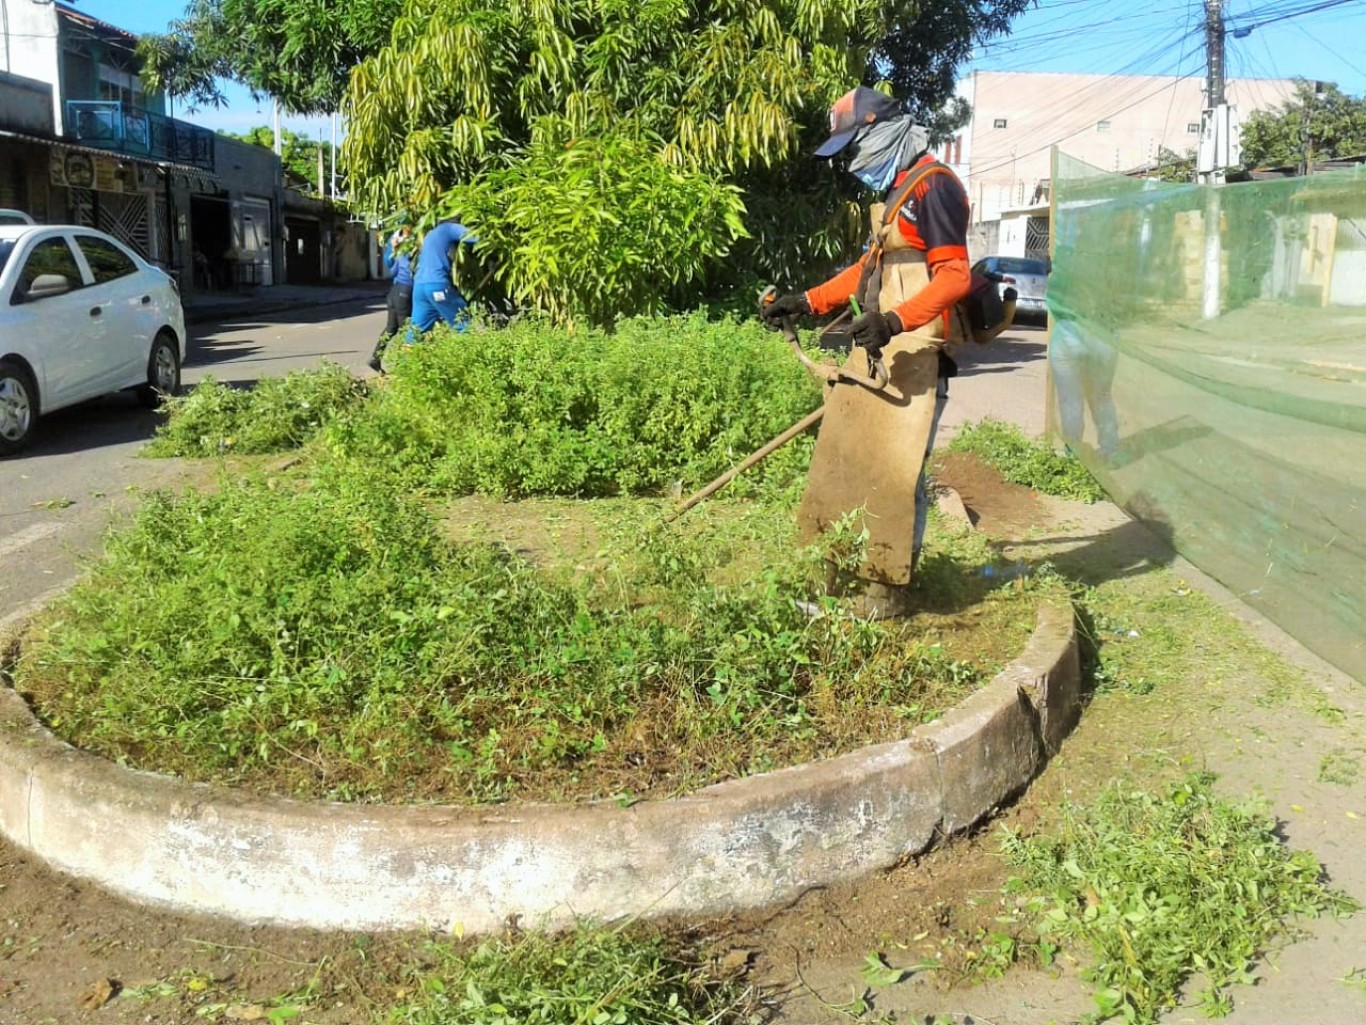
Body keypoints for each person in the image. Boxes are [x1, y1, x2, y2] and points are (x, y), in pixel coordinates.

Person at [760, 85, 974, 615]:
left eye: (857, 145)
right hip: (883, 350)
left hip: (918, 355)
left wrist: (895, 320)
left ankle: (886, 593)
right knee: (852, 460)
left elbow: (955, 277)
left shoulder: (935, 188)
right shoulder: (899, 190)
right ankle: (842, 572)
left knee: (898, 474)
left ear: (884, 130)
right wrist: (803, 303)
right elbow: (867, 271)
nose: (854, 160)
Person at [410, 218, 476, 336]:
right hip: (436, 285)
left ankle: (404, 354)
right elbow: (474, 236)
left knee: (416, 331)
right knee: (463, 323)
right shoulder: (449, 228)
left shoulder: (430, 235)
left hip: (419, 287)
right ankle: (467, 352)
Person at [368, 225, 414, 372]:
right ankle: (403, 366)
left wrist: (394, 251)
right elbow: (411, 274)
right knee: (406, 330)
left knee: (391, 328)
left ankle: (376, 358)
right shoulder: (411, 252)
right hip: (405, 292)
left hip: (394, 292)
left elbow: (392, 270)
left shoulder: (398, 250)